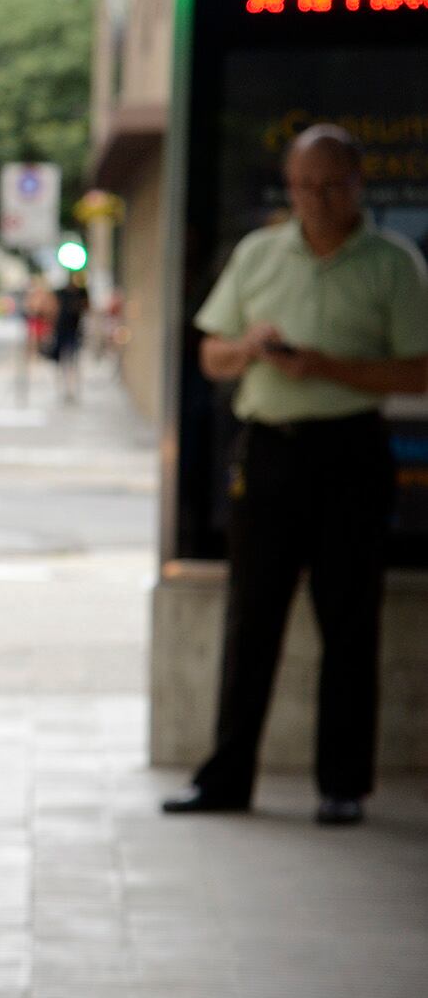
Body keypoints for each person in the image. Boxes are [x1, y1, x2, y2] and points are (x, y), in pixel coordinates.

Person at [164, 124, 428, 825]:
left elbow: (418, 368)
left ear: (356, 186)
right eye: (302, 185)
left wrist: (327, 366)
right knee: (250, 617)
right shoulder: (257, 255)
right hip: (269, 450)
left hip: (350, 452)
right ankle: (225, 777)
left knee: (348, 621)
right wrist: (246, 348)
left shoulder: (392, 263)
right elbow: (209, 355)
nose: (314, 199)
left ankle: (342, 784)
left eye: (329, 185)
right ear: (288, 186)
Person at [52, 271, 90, 402]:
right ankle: (64, 388)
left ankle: (72, 389)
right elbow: (53, 309)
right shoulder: (60, 293)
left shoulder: (82, 292)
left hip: (74, 332)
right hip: (61, 331)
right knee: (61, 362)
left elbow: (87, 307)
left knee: (73, 362)